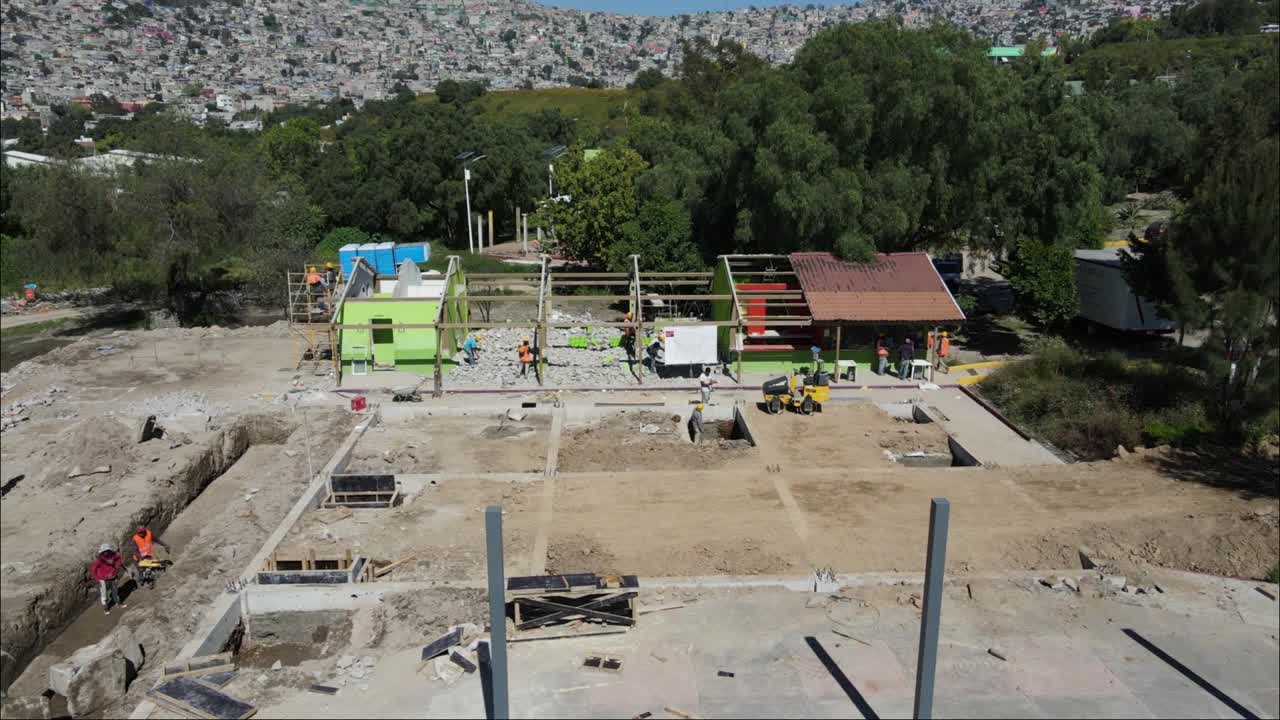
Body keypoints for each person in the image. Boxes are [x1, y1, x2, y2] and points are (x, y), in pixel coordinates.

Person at [91, 544, 126, 615]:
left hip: (113, 576)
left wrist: (118, 566)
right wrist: (97, 578)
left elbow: (119, 559)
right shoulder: (99, 559)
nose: (106, 552)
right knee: (104, 593)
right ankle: (106, 607)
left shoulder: (113, 555)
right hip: (103, 579)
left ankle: (118, 603)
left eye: (107, 551)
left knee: (115, 591)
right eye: (104, 551)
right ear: (102, 552)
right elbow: (94, 569)